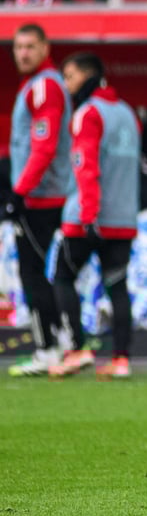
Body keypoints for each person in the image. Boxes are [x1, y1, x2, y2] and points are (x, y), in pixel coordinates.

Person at [47, 52, 140, 380]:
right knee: (117, 286)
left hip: (90, 216)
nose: (66, 84)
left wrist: (88, 215)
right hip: (124, 219)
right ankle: (121, 360)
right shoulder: (127, 112)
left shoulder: (88, 113)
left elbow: (85, 166)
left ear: (84, 76)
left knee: (62, 276)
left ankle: (75, 350)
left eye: (69, 77)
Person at [6, 23, 73, 377]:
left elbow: (44, 147)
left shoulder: (44, 86)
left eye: (30, 46)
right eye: (18, 47)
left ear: (46, 48)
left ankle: (47, 349)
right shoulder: (38, 86)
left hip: (40, 199)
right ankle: (60, 344)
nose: (23, 53)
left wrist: (19, 191)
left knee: (33, 274)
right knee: (45, 273)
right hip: (46, 195)